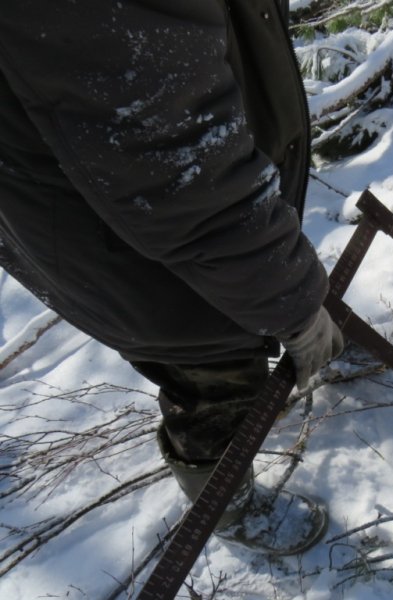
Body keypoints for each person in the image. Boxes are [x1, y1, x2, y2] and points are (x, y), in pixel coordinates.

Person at [0, 0, 346, 555]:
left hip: (196, 201)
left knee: (247, 287)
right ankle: (226, 503)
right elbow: (172, 160)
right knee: (213, 373)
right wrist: (293, 304)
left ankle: (295, 317)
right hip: (128, 241)